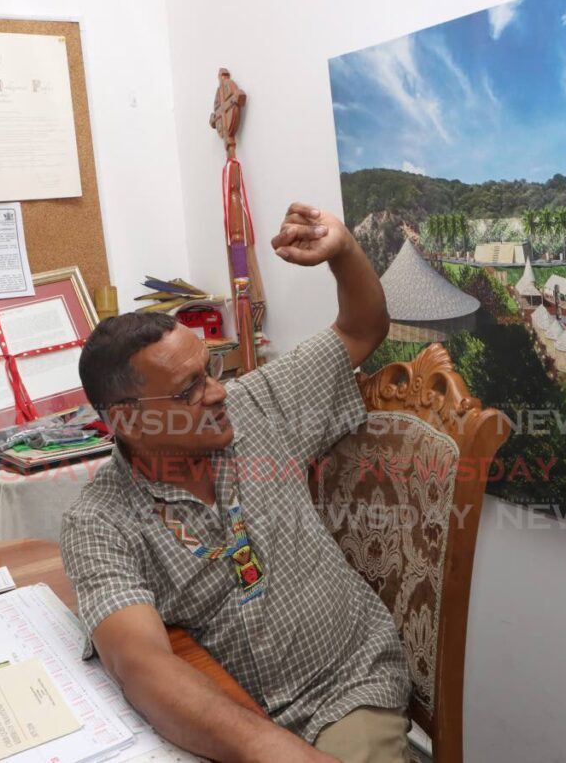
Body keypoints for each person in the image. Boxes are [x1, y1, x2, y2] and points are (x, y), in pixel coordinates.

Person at [60, 203, 411, 763]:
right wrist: (268, 748)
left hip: (345, 690)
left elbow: (361, 328)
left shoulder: (257, 407)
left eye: (211, 370)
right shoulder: (100, 522)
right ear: (127, 421)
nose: (218, 392)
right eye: (188, 390)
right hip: (232, 715)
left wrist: (343, 252)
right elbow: (142, 666)